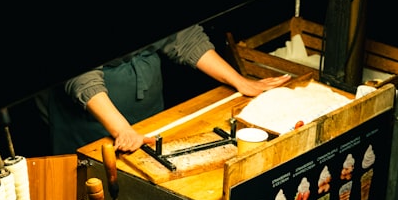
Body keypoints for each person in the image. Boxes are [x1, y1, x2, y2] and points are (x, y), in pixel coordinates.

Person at [43, 24, 291, 155]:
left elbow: (183, 37)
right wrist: (122, 130)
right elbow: (81, 75)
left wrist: (240, 81)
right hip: (92, 117)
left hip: (149, 108)